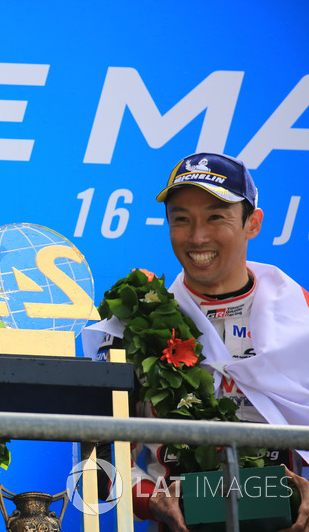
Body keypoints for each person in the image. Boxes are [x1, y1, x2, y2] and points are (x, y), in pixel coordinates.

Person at [83, 152, 309, 531]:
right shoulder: (133, 326)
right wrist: (150, 499)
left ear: (252, 223)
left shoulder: (300, 312)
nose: (197, 236)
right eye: (181, 219)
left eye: (215, 217)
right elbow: (96, 463)